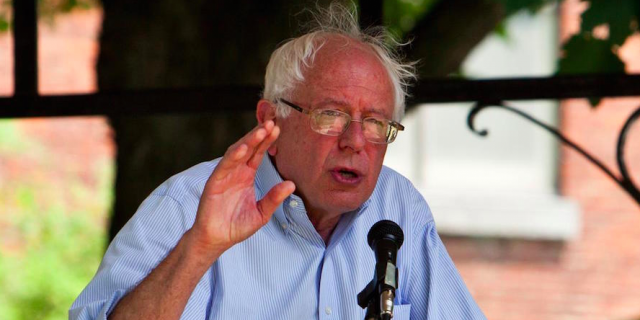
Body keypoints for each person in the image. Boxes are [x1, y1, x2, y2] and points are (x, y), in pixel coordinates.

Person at [70, 3, 485, 320]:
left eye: (376, 123)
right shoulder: (187, 204)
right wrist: (199, 248)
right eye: (331, 115)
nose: (355, 141)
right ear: (272, 122)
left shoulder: (398, 206)